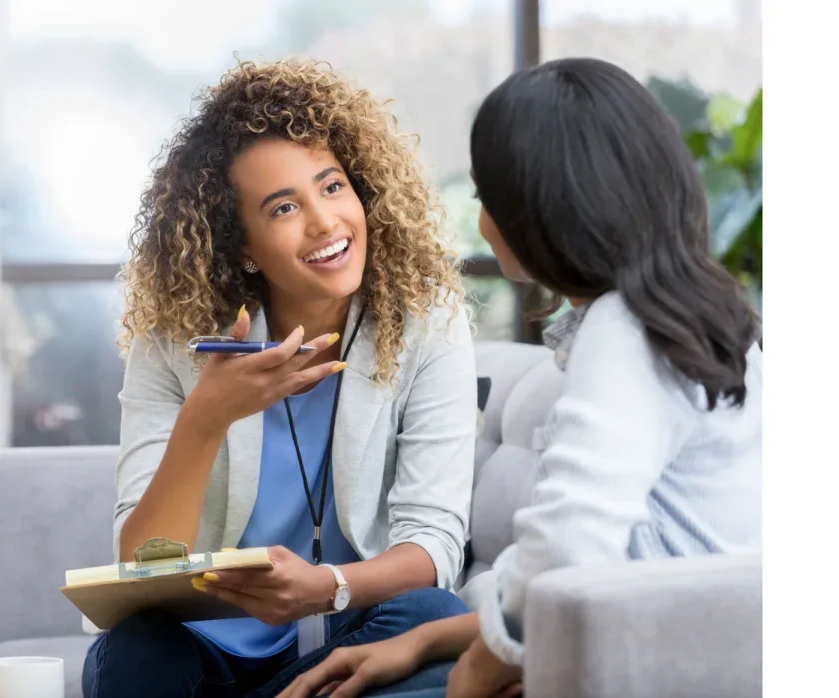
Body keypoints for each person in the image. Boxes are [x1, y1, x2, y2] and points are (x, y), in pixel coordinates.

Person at [279, 56, 763, 698]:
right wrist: (426, 642)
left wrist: (476, 674)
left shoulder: (625, 334)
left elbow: (566, 553)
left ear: (543, 211)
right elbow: (628, 568)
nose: (481, 221)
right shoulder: (714, 321)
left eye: (486, 198)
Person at [82, 59, 480, 698]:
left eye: (331, 187)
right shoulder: (174, 341)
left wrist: (327, 588)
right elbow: (138, 569)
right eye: (284, 207)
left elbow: (434, 545)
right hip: (206, 654)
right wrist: (206, 418)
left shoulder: (427, 322)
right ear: (240, 244)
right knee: (133, 653)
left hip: (349, 644)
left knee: (435, 617)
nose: (324, 223)